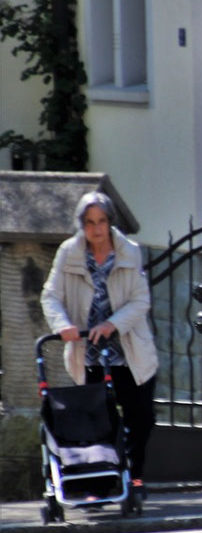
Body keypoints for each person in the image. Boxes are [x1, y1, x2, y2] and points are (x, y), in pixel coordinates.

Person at [41, 191, 159, 497]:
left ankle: (135, 478)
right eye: (90, 222)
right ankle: (102, 484)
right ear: (82, 225)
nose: (96, 229)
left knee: (141, 418)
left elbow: (140, 300)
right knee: (97, 422)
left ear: (110, 222)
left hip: (129, 351)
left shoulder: (129, 251)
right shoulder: (69, 252)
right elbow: (50, 295)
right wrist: (62, 325)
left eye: (102, 221)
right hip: (89, 354)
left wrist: (112, 324)